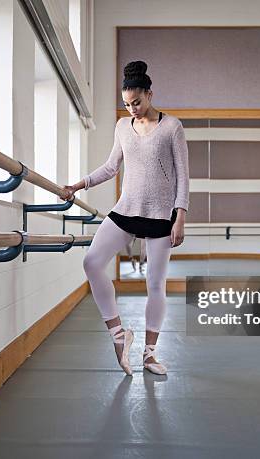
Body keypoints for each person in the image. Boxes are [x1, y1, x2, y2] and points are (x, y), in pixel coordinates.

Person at [61, 60, 190, 375]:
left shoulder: (172, 127)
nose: (131, 108)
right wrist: (77, 185)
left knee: (155, 284)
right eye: (126, 104)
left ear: (149, 93)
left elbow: (184, 177)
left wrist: (180, 216)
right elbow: (110, 167)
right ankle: (120, 335)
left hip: (160, 216)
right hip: (125, 210)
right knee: (91, 262)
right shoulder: (122, 127)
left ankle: (149, 355)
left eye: (136, 102)